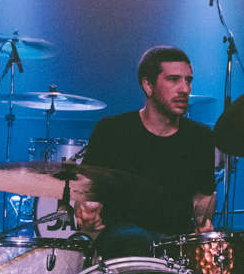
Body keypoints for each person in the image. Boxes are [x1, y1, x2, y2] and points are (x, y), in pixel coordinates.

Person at [75, 46, 216, 259]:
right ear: (148, 85)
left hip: (176, 241)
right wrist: (86, 212)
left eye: (188, 80)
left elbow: (202, 200)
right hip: (121, 239)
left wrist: (204, 225)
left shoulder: (201, 136)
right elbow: (85, 194)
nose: (184, 89)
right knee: (136, 239)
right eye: (173, 79)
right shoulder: (112, 130)